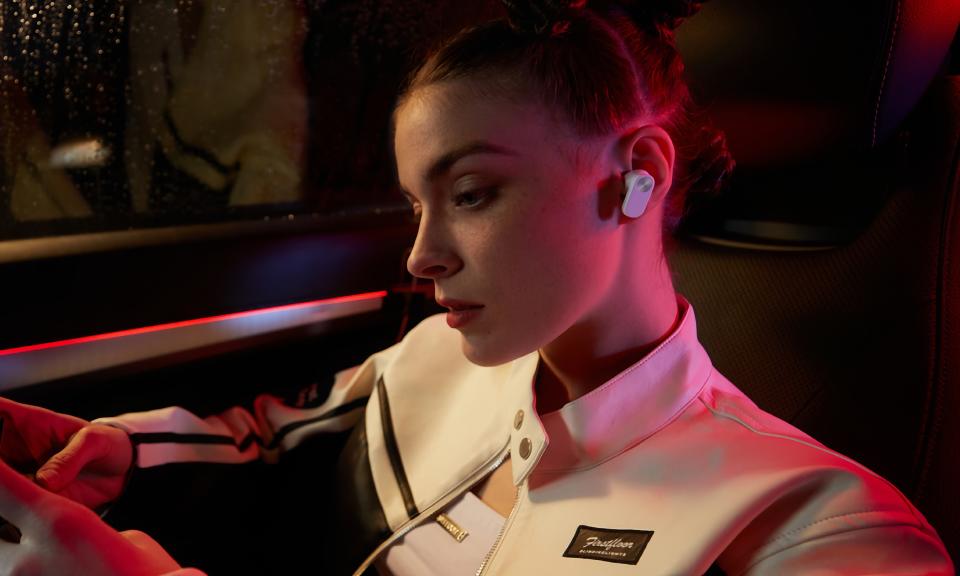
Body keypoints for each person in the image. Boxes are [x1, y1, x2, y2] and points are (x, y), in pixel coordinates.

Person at [0, 1, 955, 574]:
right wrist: (117, 454)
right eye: (419, 203)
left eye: (472, 193)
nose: (420, 256)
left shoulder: (811, 526)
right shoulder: (426, 362)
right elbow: (274, 445)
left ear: (639, 176)